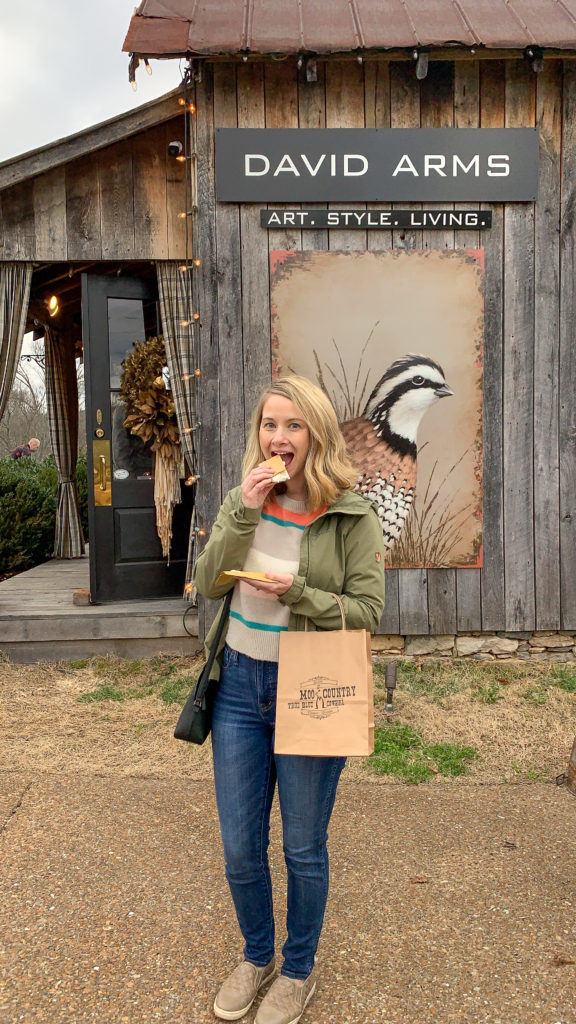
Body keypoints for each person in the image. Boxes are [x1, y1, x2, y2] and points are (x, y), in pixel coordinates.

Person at [194, 375, 386, 1024]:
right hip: (240, 689)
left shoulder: (352, 514)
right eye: (270, 425)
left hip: (315, 685)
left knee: (303, 846)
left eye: (293, 425)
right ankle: (257, 955)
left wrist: (297, 590)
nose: (278, 437)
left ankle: (298, 968)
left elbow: (366, 613)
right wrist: (243, 513)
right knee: (241, 847)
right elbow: (206, 579)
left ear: (317, 435)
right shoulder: (245, 497)